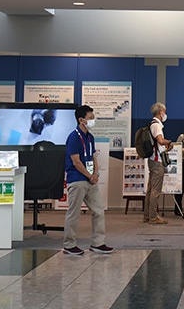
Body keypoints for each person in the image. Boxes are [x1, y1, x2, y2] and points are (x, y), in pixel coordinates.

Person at [62, 105, 113, 255]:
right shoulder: (73, 137)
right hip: (77, 179)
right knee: (74, 213)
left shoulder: (90, 137)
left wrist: (96, 173)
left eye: (93, 117)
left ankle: (98, 243)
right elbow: (76, 162)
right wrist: (89, 175)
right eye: (90, 118)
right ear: (81, 120)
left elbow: (92, 156)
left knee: (99, 211)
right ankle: (69, 244)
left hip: (90, 180)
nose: (93, 120)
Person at [145, 102, 172, 225]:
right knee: (156, 190)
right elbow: (160, 141)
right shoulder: (156, 125)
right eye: (164, 111)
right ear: (160, 112)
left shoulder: (152, 124)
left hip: (152, 159)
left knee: (150, 190)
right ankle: (153, 217)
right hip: (157, 161)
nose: (165, 114)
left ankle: (147, 215)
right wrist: (169, 142)